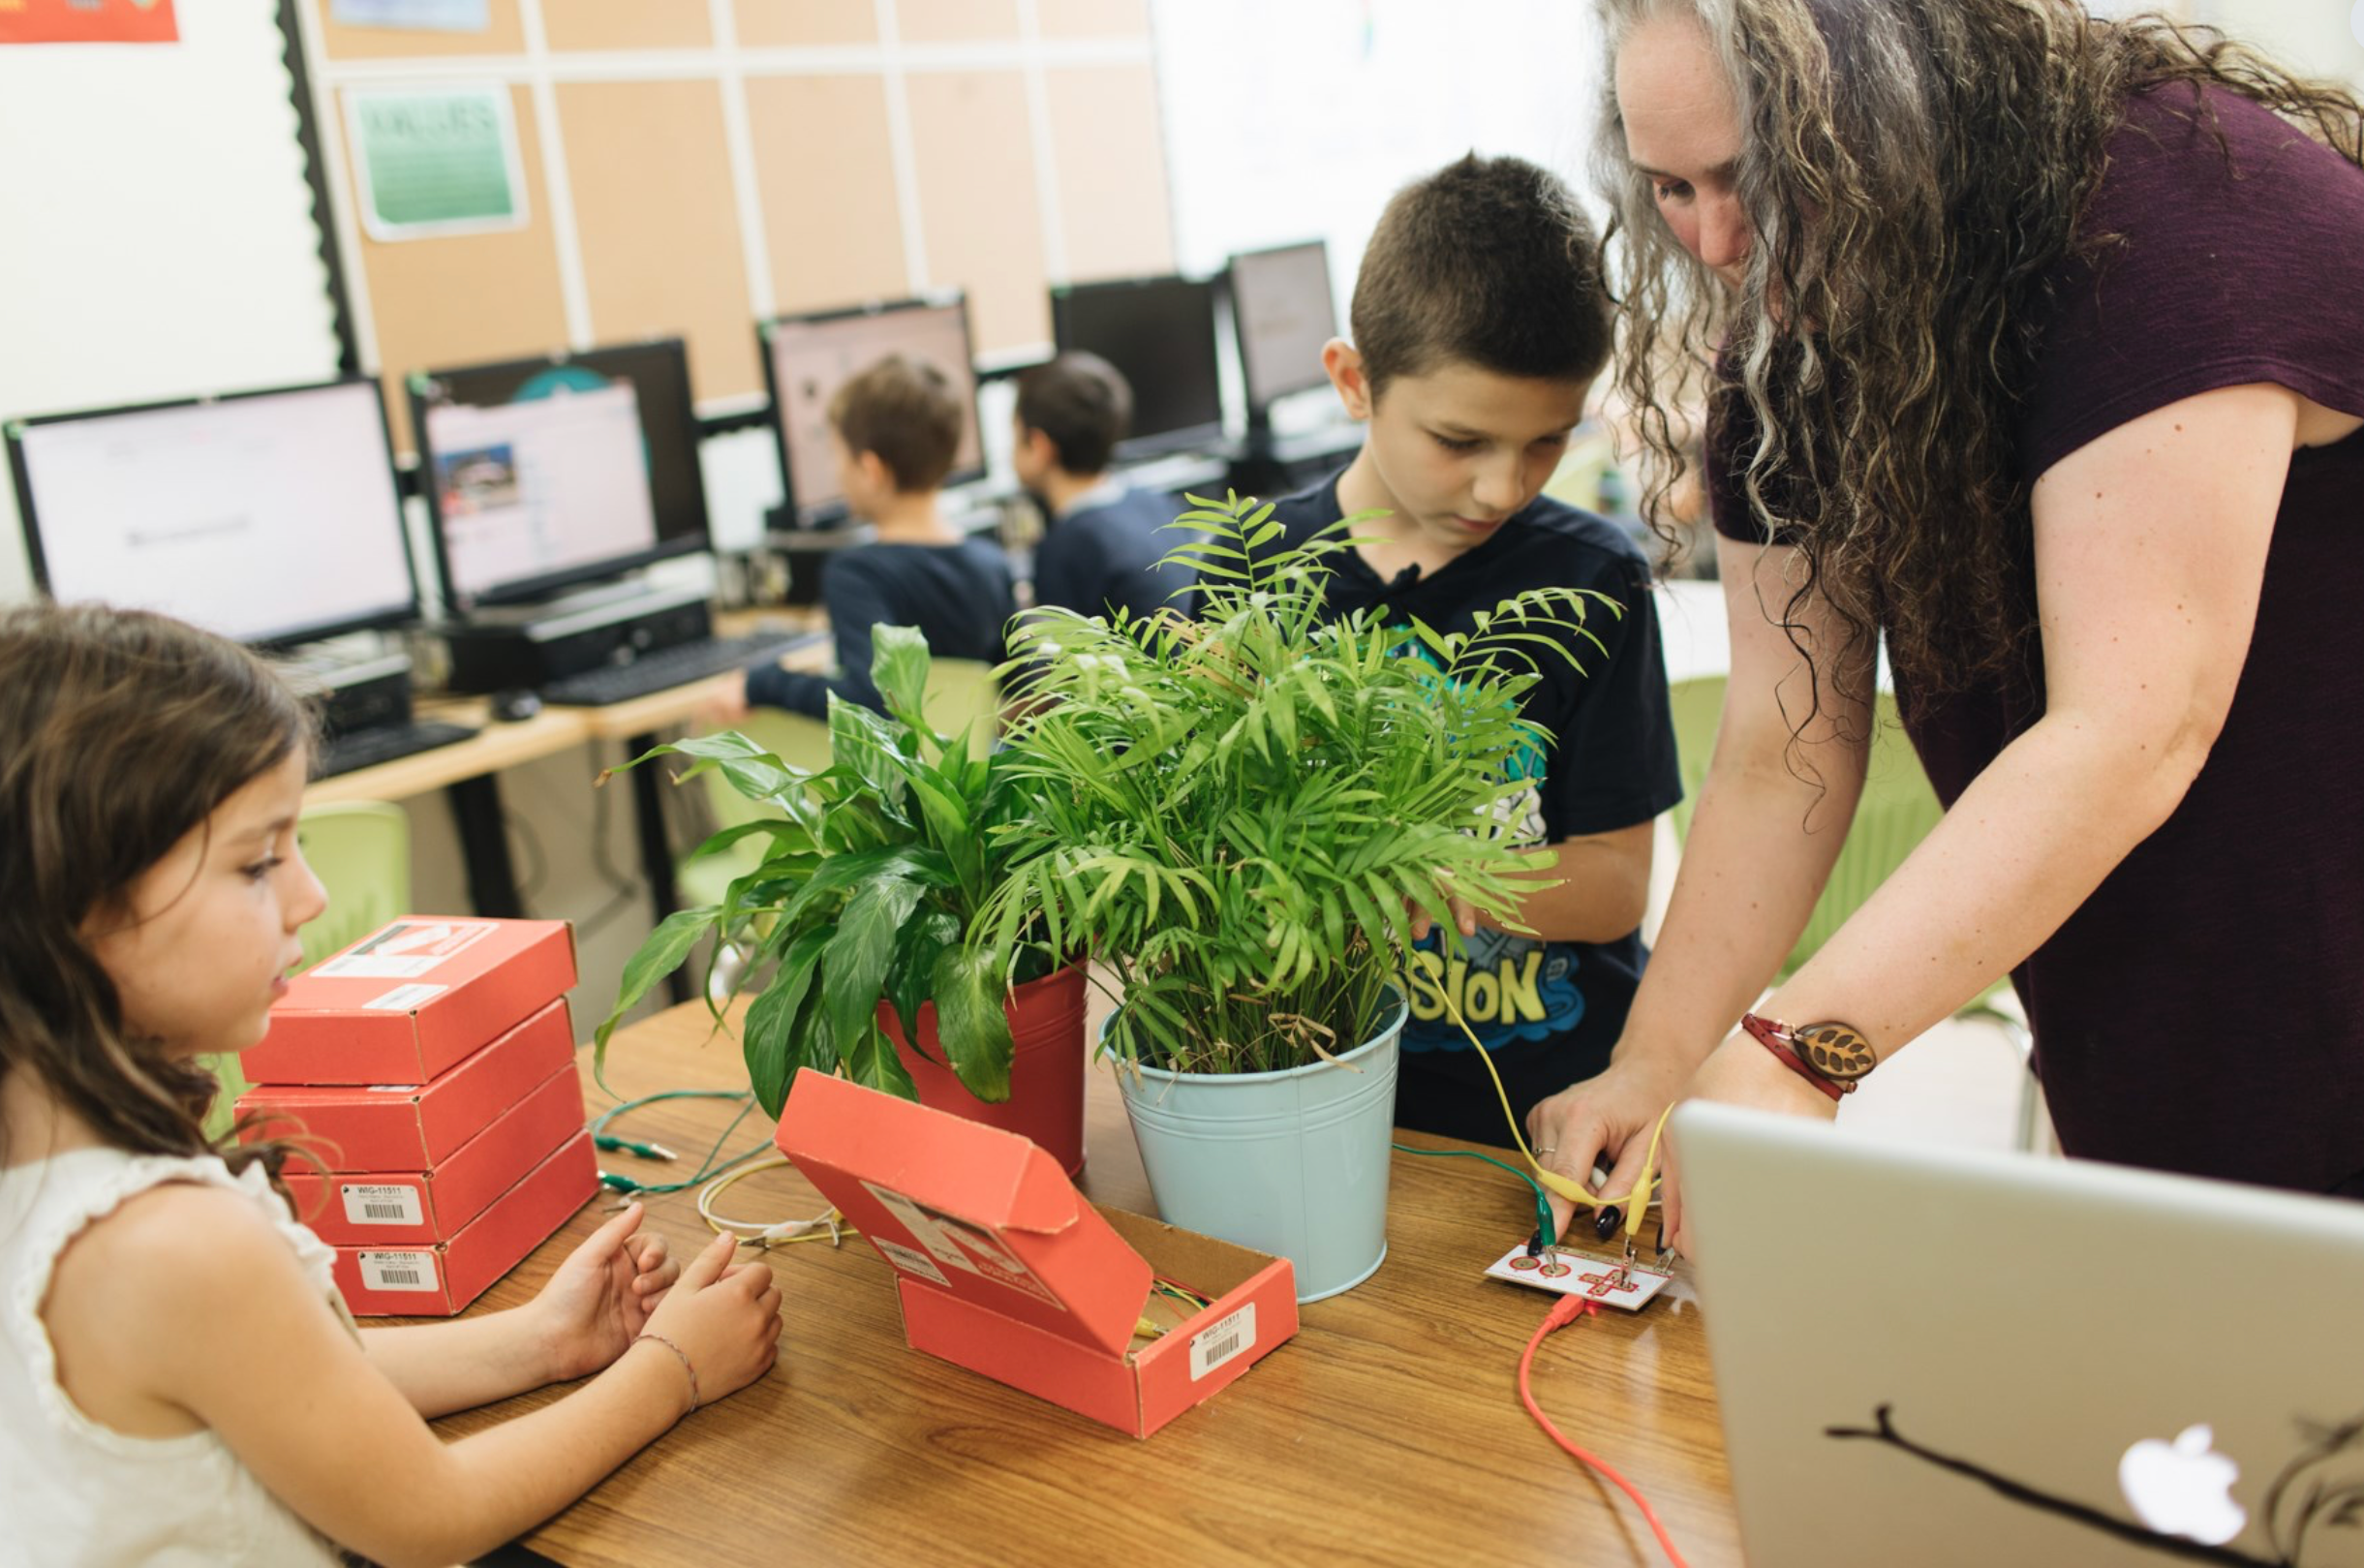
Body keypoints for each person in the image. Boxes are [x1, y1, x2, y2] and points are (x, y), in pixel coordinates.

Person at [1532, 0, 2364, 1247]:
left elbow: (2133, 727)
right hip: (2144, 991)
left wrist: (1795, 1052)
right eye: (1669, 187)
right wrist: (1656, 1059)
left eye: (1754, 179)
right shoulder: (1801, 321)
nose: (1712, 240)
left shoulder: (2175, 221)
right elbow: (1783, 747)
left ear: (1894, 105)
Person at [0, 603, 783, 1566]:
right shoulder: (173, 1243)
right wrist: (674, 1369)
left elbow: (290, 1380)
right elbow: (431, 1516)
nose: (311, 896)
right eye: (257, 860)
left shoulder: (44, 1160)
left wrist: (538, 1340)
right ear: (78, 905)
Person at [1257, 153, 1683, 1148]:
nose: (1503, 487)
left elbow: (1617, 884)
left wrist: (1421, 879)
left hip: (1553, 1103)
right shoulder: (1252, 575)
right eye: (1459, 441)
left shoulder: (1591, 581)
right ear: (1353, 381)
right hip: (1322, 1098)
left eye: (1545, 442)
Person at [723, 354, 1016, 722]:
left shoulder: (857, 574)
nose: (836, 471)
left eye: (838, 456)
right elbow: (1016, 683)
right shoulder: (992, 563)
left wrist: (760, 683)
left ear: (871, 469)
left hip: (898, 776)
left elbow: (870, 699)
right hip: (971, 774)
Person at [1011, 351, 1192, 623]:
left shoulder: (1066, 549)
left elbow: (1064, 660)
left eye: (1014, 436)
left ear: (1039, 446)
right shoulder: (1157, 504)